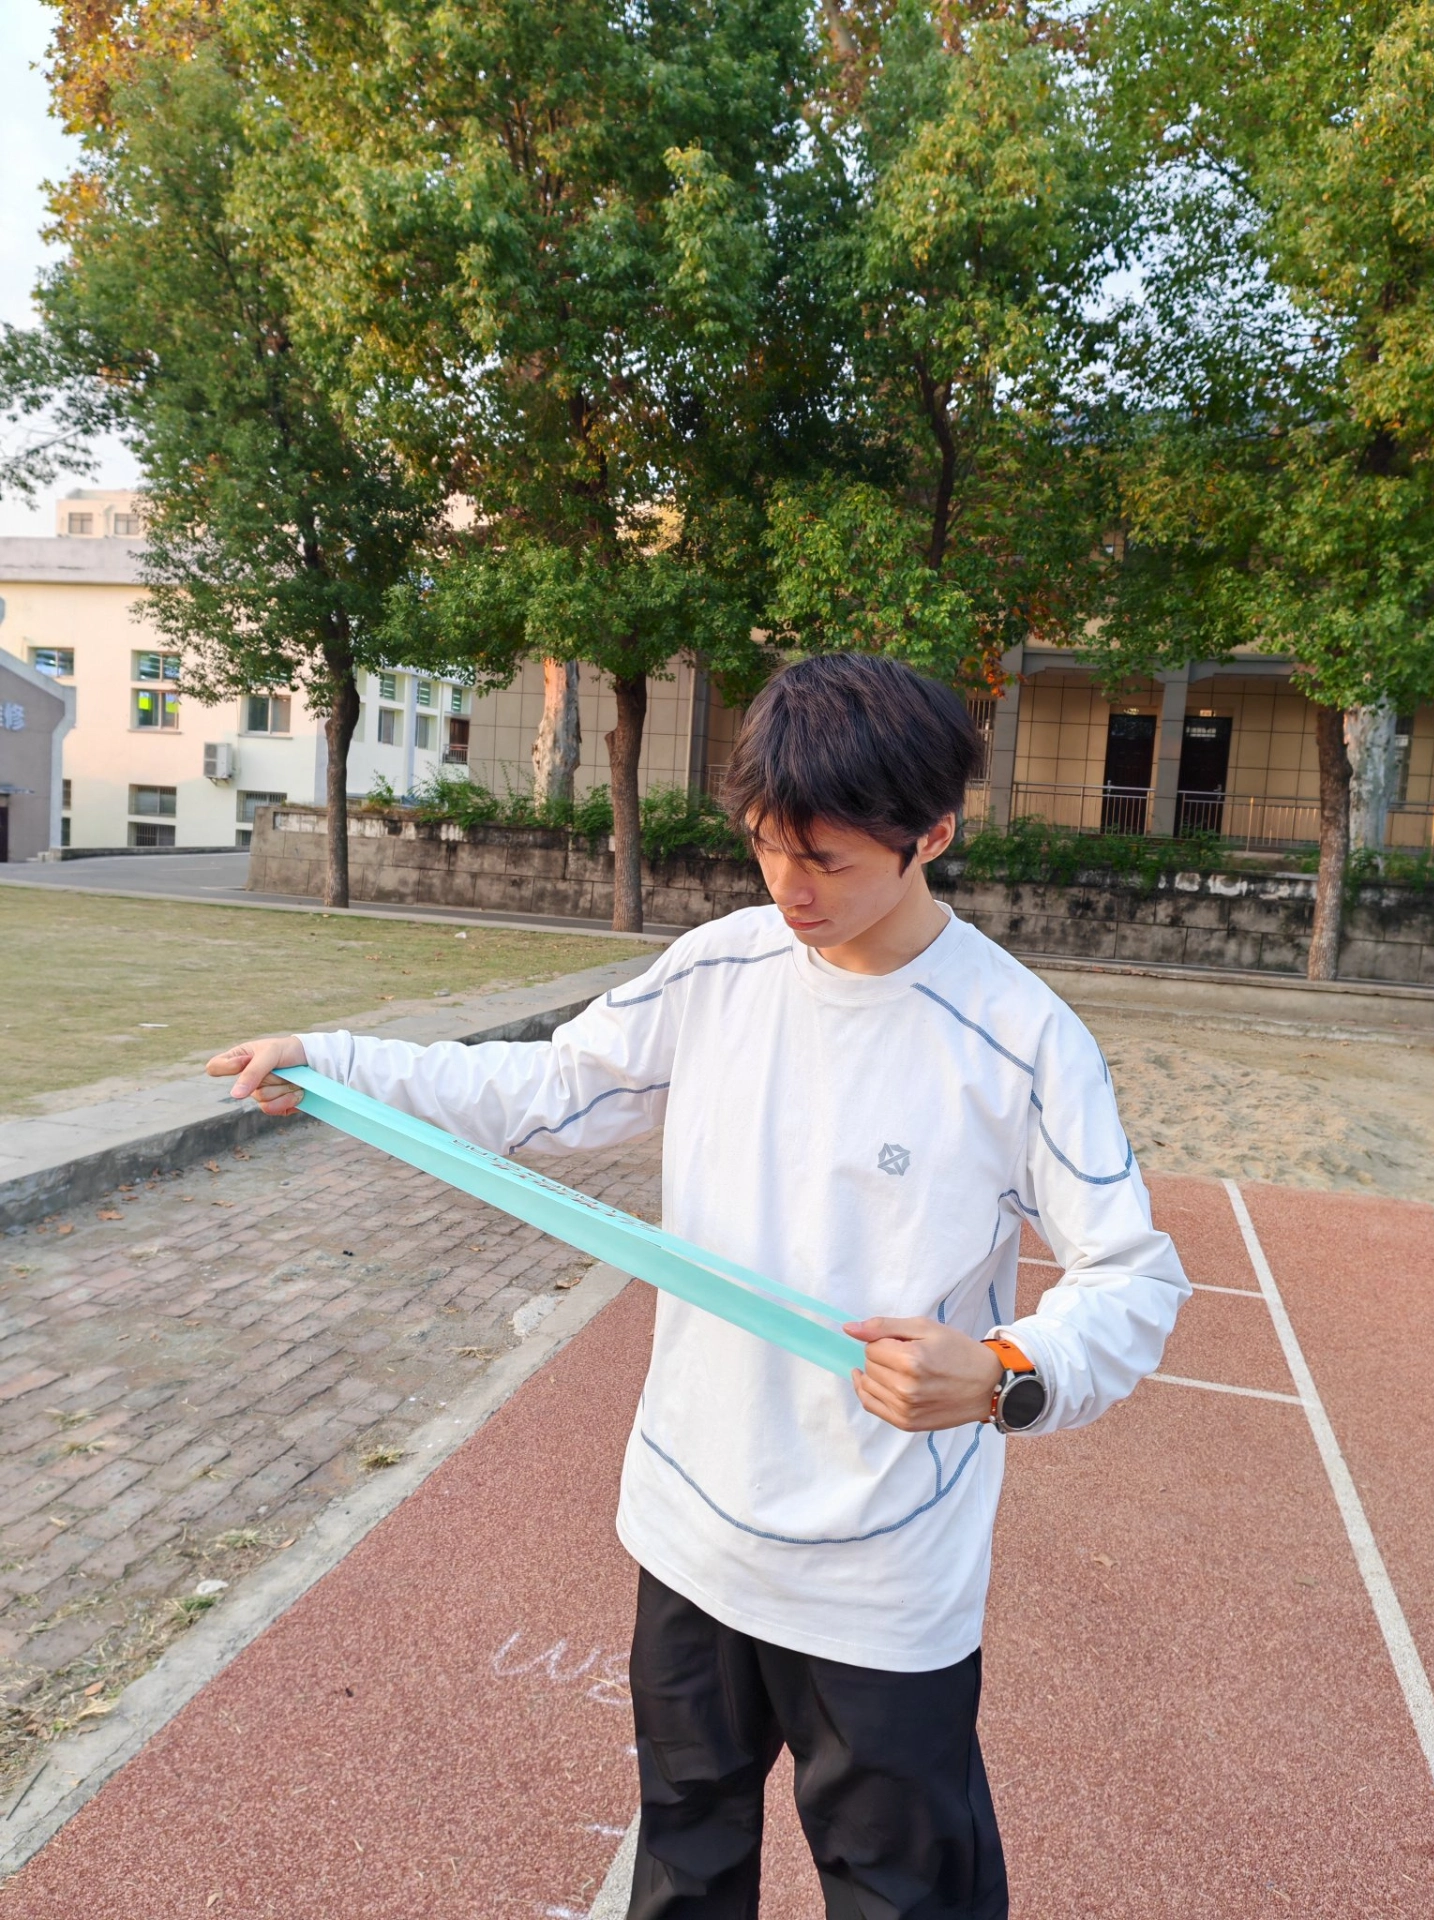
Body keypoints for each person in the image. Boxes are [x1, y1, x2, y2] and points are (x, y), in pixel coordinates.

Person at [208, 653, 1189, 1920]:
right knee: (682, 1868)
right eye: (768, 846)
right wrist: (331, 1061)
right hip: (691, 1529)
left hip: (882, 1574)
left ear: (934, 835)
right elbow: (545, 1091)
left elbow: (1131, 1276)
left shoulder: (1021, 1039)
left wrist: (1006, 1373)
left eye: (827, 859)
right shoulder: (718, 970)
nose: (790, 888)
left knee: (904, 1893)